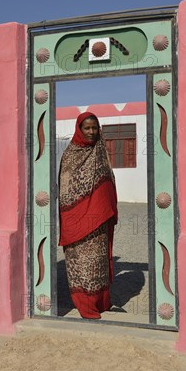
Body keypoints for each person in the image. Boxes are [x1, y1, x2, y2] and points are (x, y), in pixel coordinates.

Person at [58, 112, 118, 319]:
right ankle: (86, 305)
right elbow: (66, 191)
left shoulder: (101, 151)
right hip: (78, 223)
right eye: (87, 128)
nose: (92, 132)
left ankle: (102, 302)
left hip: (99, 221)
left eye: (95, 128)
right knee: (82, 265)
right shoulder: (70, 155)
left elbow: (109, 180)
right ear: (79, 129)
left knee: (98, 264)